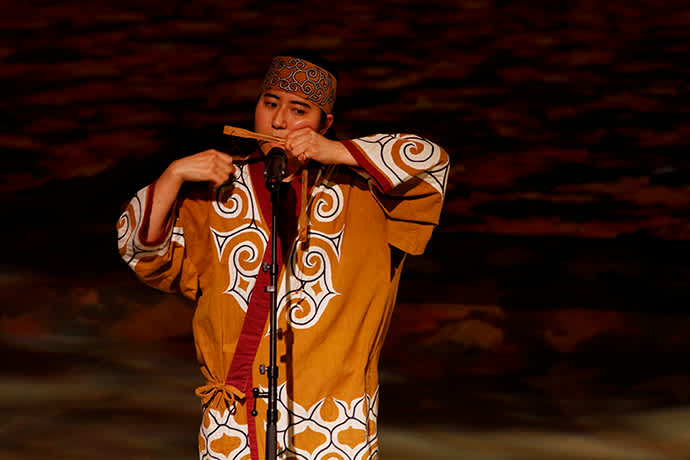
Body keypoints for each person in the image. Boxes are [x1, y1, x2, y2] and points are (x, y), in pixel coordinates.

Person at [117, 51, 449, 460]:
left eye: (298, 110)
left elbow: (430, 161)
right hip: (234, 419)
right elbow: (145, 253)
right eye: (270, 104)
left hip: (334, 420)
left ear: (325, 123)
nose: (278, 122)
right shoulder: (217, 189)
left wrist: (338, 152)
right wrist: (173, 175)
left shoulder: (364, 194)